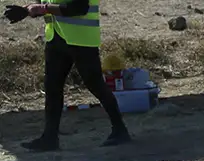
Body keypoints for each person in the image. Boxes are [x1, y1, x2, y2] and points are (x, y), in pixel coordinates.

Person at [4, 0, 130, 151]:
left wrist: (41, 9)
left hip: (82, 38)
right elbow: (42, 4)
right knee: (52, 87)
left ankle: (119, 129)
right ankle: (49, 138)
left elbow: (79, 7)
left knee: (94, 84)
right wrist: (27, 10)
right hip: (56, 37)